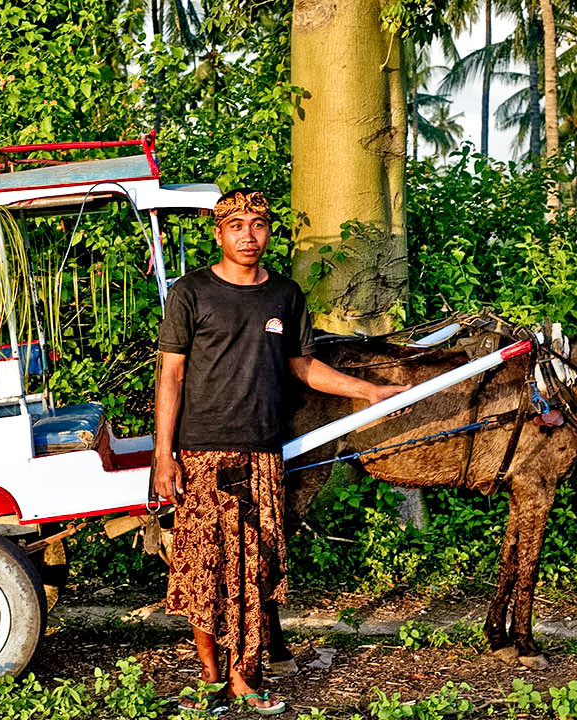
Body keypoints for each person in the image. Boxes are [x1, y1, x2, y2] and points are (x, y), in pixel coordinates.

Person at [153, 188, 409, 715]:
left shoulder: (285, 296)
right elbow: (171, 374)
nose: (249, 235)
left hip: (265, 452)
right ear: (219, 233)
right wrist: (163, 454)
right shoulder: (191, 294)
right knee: (205, 567)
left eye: (259, 224)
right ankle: (209, 676)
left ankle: (246, 678)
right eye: (237, 225)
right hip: (202, 451)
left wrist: (371, 391)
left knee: (256, 569)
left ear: (270, 232)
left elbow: (302, 367)